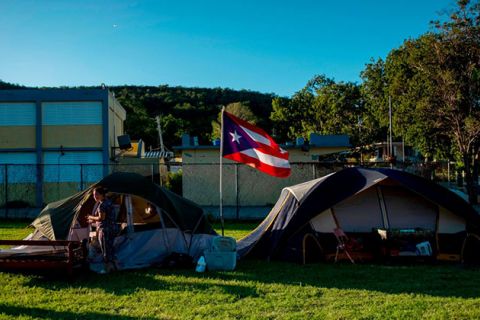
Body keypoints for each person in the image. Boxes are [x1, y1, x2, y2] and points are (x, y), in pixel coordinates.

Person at [87, 186, 116, 272]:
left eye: (97, 194)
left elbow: (101, 218)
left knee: (105, 249)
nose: (95, 196)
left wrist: (90, 217)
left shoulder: (102, 205)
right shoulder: (109, 202)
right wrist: (92, 220)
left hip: (105, 230)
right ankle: (112, 267)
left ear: (102, 194)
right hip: (112, 228)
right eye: (93, 195)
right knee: (110, 248)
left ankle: (108, 269)